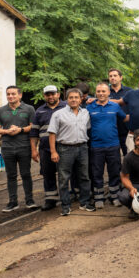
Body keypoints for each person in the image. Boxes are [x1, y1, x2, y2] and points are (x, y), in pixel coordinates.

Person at [48, 88, 93, 216]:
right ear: (67, 99)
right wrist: (53, 152)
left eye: (76, 97)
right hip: (64, 148)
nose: (73, 100)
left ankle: (84, 202)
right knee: (63, 178)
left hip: (82, 147)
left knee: (84, 176)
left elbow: (87, 128)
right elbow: (52, 133)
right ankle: (65, 206)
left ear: (81, 99)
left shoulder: (85, 113)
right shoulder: (58, 114)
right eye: (71, 97)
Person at [0, 85, 36, 212]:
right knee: (11, 175)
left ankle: (29, 200)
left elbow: (33, 126)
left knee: (26, 174)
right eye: (8, 94)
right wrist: (7, 131)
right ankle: (13, 201)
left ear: (20, 95)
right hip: (7, 147)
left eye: (13, 94)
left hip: (24, 146)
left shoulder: (29, 109)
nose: (10, 96)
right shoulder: (1, 110)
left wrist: (20, 130)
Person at [86, 82, 128, 208]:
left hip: (113, 145)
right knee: (97, 172)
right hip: (96, 146)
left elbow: (125, 118)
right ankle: (99, 198)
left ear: (109, 93)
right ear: (95, 93)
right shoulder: (89, 108)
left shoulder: (115, 106)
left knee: (114, 171)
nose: (101, 93)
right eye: (98, 91)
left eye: (103, 91)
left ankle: (114, 196)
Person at [31, 85, 67, 210]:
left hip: (64, 147)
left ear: (58, 94)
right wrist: (34, 150)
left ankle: (67, 198)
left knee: (65, 173)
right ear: (44, 96)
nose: (50, 96)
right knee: (48, 174)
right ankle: (50, 199)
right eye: (48, 94)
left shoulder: (67, 107)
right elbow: (34, 132)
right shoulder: (39, 111)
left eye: (53, 94)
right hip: (45, 148)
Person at [108, 68, 132, 155]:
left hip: (126, 129)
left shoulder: (129, 91)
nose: (112, 78)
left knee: (129, 155)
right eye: (110, 76)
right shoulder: (105, 92)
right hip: (111, 130)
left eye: (115, 75)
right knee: (113, 158)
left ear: (121, 77)